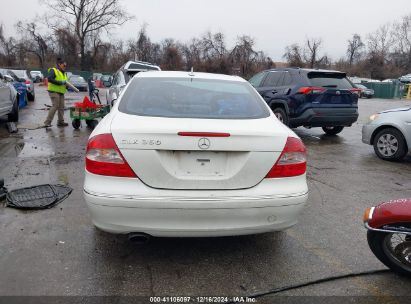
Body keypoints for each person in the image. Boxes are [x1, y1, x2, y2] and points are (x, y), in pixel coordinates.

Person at [44, 58, 69, 127]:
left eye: (65, 66)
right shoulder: (54, 70)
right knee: (55, 106)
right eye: (64, 65)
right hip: (54, 91)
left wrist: (67, 86)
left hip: (61, 92)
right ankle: (47, 122)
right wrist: (60, 83)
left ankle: (60, 122)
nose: (65, 66)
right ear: (59, 64)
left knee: (61, 107)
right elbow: (49, 79)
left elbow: (65, 82)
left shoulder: (64, 73)